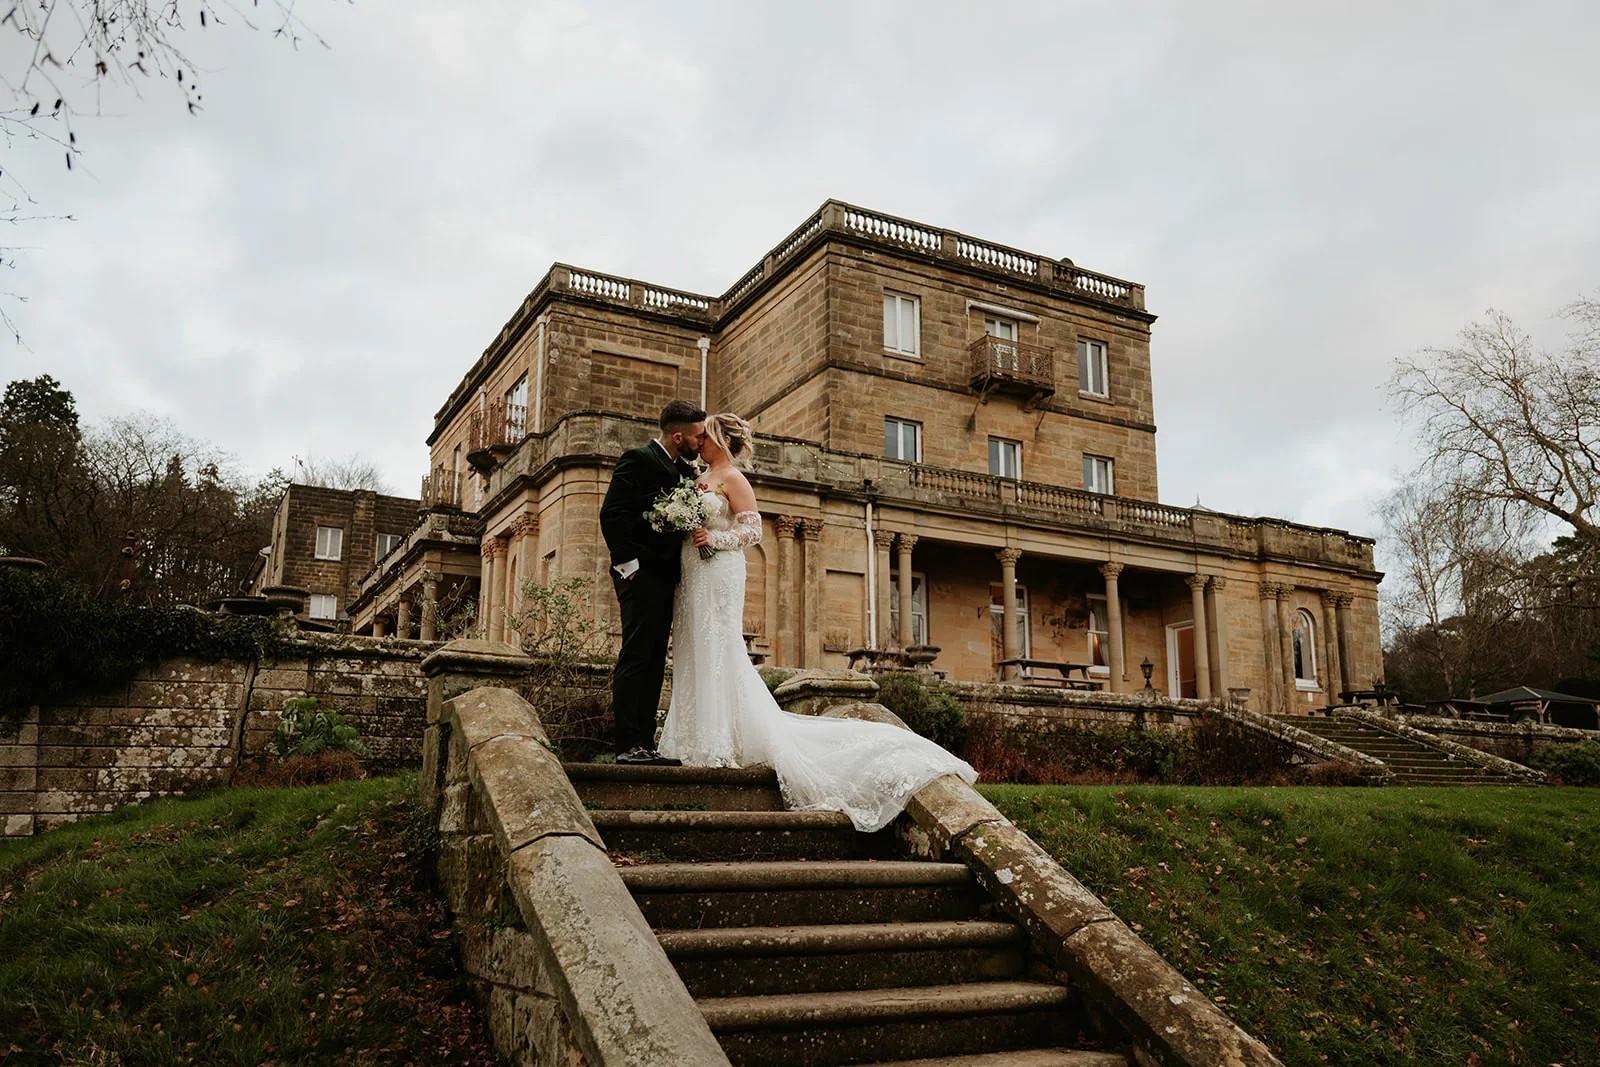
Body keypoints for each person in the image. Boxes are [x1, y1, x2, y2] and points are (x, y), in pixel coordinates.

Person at [657, 412, 977, 831]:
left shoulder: (734, 478)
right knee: (692, 647)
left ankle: (717, 743)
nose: (697, 440)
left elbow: (752, 531)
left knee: (719, 649)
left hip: (718, 571)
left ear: (719, 438)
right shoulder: (696, 476)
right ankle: (693, 736)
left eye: (704, 435)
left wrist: (714, 537)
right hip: (692, 573)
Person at [600, 399, 707, 766]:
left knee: (655, 658)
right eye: (697, 436)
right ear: (678, 436)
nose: (701, 442)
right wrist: (629, 566)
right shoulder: (638, 459)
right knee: (636, 656)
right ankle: (628, 745)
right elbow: (613, 514)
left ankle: (645, 743)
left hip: (666, 579)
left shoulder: (685, 470)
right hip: (639, 574)